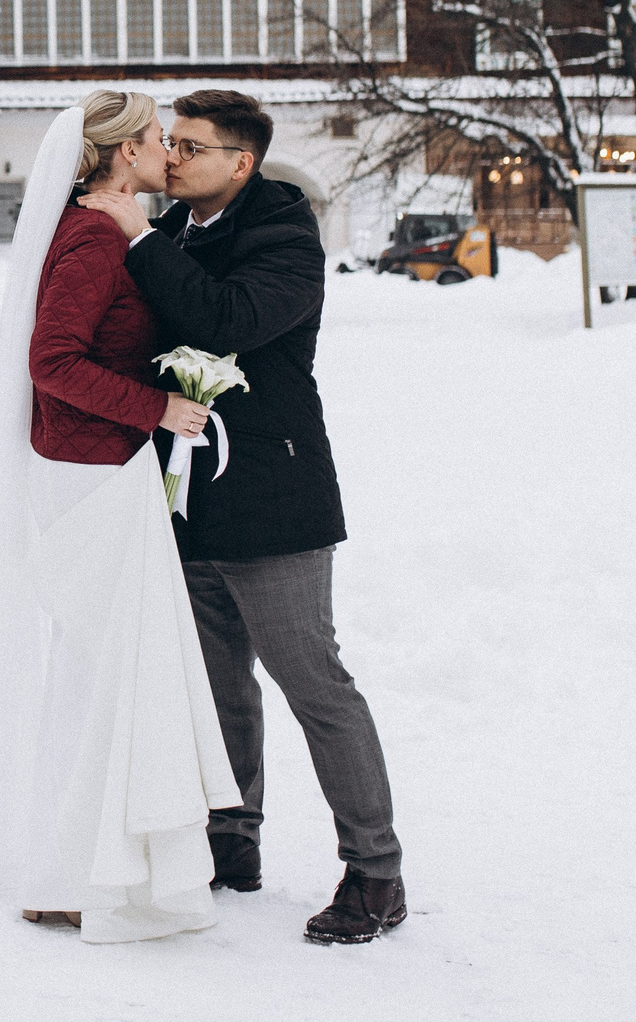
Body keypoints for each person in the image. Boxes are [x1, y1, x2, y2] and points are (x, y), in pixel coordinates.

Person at [80, 89, 406, 946]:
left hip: (276, 499)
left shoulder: (285, 234)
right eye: (171, 143)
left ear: (241, 162)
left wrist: (140, 240)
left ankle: (376, 870)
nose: (173, 156)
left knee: (315, 685)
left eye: (190, 145)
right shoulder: (181, 228)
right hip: (188, 503)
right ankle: (233, 839)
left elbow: (225, 321)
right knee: (217, 686)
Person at [0, 91, 242, 944]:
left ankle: (72, 866)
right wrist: (157, 408)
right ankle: (75, 871)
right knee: (101, 672)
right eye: (156, 138)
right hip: (88, 475)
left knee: (104, 670)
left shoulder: (115, 229)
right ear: (119, 154)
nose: (167, 150)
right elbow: (53, 360)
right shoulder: (89, 236)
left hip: (99, 468)